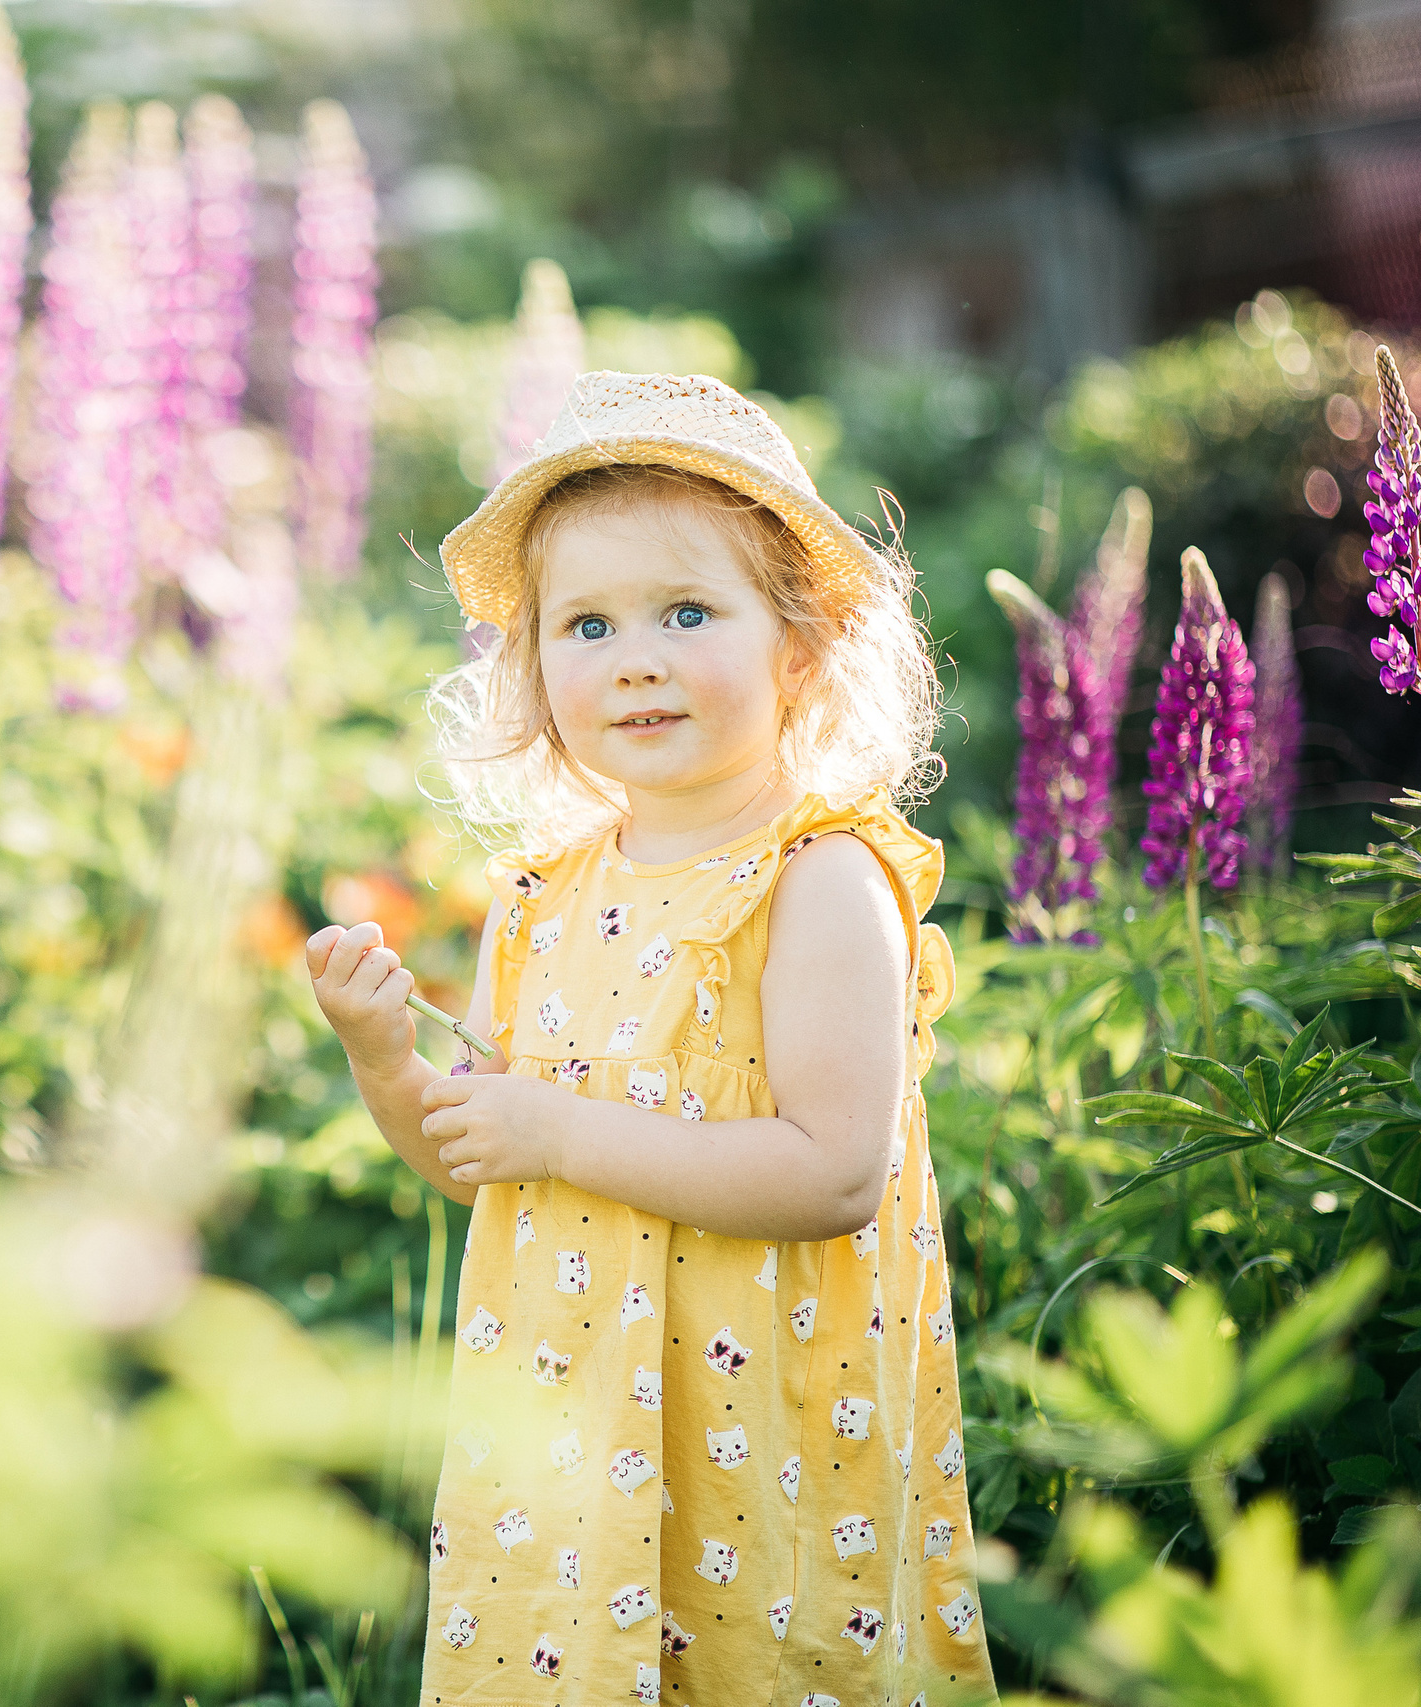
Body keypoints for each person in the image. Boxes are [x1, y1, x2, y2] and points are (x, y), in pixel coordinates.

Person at [307, 373, 997, 1706]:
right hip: (568, 1454)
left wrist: (563, 1129)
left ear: (798, 647)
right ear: (534, 668)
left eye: (688, 613)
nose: (636, 657)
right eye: (588, 624)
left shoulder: (821, 879)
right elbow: (480, 1164)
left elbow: (830, 1171)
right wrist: (386, 1062)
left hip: (763, 1451)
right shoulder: (541, 898)